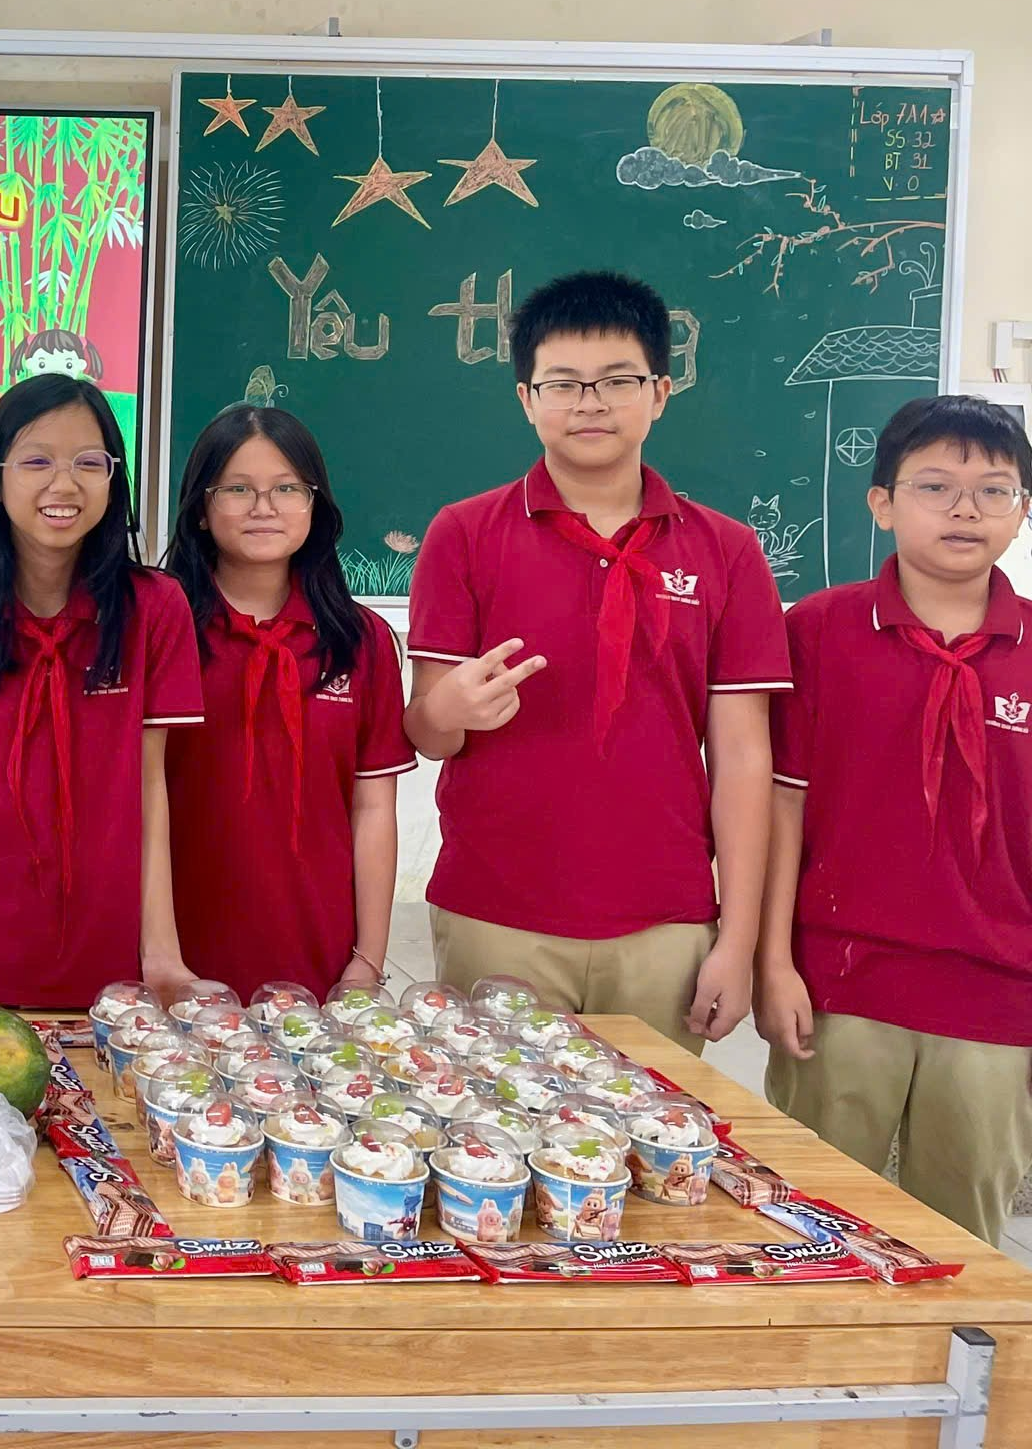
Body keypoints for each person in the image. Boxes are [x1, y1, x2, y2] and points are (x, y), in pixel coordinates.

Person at [404, 270, 788, 1050]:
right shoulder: (465, 534)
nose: (591, 403)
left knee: (648, 1159)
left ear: (661, 391)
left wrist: (738, 940)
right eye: (564, 384)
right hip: (496, 915)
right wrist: (448, 712)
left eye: (617, 380)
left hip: (666, 922)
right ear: (526, 399)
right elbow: (428, 730)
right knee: (493, 1148)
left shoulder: (725, 550)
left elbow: (744, 758)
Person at [758, 394, 1032, 1246]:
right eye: (936, 486)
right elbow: (782, 808)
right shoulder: (816, 634)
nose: (965, 510)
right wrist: (773, 961)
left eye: (995, 490)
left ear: (1022, 509)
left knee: (963, 1240)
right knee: (808, 1225)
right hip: (842, 987)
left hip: (997, 997)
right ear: (881, 501)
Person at [0, 375, 202, 1007]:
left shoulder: (154, 608)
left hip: (104, 951)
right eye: (36, 461)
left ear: (113, 480)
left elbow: (150, 786)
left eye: (89, 463)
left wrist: (162, 951)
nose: (64, 484)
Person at [158, 404, 413, 996]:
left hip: (318, 959)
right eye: (238, 489)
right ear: (200, 508)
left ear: (315, 504)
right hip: (175, 963)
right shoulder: (159, 627)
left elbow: (373, 810)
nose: (264, 507)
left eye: (287, 488)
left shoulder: (361, 638)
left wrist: (368, 961)